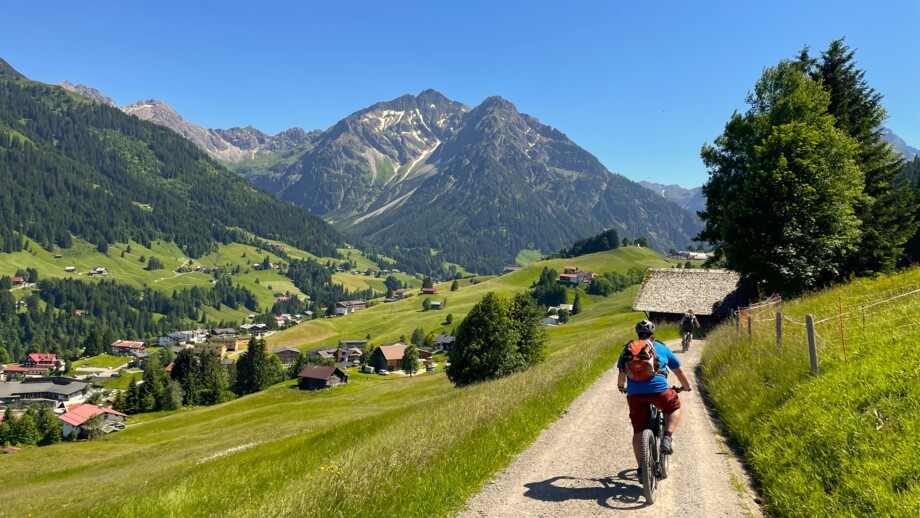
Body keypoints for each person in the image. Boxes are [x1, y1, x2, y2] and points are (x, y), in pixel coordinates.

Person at [617, 320, 692, 478]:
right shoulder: (662, 348)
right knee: (673, 407)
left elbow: (622, 375)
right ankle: (667, 437)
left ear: (637, 335)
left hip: (635, 394)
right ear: (653, 334)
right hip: (660, 390)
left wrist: (621, 387)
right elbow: (679, 372)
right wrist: (686, 387)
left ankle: (641, 469)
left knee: (638, 431)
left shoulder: (628, 349)